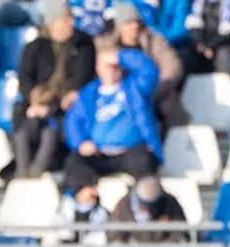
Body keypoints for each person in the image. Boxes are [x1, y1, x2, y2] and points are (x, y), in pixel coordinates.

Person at [12, 2, 94, 178]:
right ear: (52, 23)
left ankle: (38, 170)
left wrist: (55, 103)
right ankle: (22, 169)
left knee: (51, 126)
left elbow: (81, 78)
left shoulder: (84, 44)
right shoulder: (35, 46)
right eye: (65, 19)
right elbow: (25, 79)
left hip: (65, 102)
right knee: (24, 119)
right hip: (38, 100)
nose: (71, 23)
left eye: (71, 18)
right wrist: (36, 102)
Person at [63, 47, 163, 190]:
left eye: (115, 65)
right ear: (98, 68)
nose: (112, 69)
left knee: (143, 163)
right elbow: (73, 121)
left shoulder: (135, 87)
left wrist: (119, 56)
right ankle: (85, 206)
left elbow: (148, 69)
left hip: (131, 151)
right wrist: (81, 142)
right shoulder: (88, 94)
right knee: (75, 164)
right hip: (99, 153)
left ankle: (142, 206)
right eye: (107, 66)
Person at [109, 176, 188, 243]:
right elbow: (115, 236)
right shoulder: (123, 206)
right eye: (143, 204)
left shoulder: (170, 203)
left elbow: (179, 231)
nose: (147, 209)